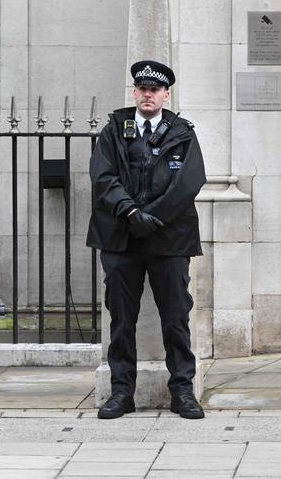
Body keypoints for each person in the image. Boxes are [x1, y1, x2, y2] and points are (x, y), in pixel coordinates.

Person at [87, 60, 207, 420]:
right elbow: (102, 177)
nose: (147, 95)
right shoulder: (113, 130)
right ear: (135, 93)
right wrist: (131, 213)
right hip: (121, 238)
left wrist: (152, 217)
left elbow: (189, 182)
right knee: (122, 319)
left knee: (175, 317)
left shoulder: (182, 132)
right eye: (142, 89)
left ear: (165, 95)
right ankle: (121, 392)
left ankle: (182, 391)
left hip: (169, 238)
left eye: (154, 90)